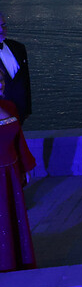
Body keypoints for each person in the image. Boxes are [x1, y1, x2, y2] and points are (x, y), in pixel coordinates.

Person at [0, 75, 36, 273]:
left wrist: (26, 166)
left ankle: (17, 262)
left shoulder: (10, 106)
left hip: (11, 172)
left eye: (1, 80)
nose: (0, 85)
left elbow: (19, 140)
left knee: (13, 217)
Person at [0, 13, 32, 124]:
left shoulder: (18, 47)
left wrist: (27, 109)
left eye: (3, 25)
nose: (1, 30)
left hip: (19, 111)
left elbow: (25, 79)